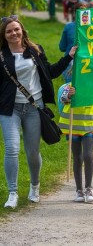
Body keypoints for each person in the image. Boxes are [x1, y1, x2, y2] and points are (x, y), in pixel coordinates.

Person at [0, 15, 76, 209]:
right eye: (9, 31)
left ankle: (35, 186)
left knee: (33, 152)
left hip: (34, 107)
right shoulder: (1, 55)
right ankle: (13, 193)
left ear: (22, 30)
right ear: (4, 35)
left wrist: (68, 56)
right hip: (10, 110)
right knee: (12, 149)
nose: (13, 33)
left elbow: (50, 72)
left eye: (16, 29)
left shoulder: (35, 50)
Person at [58, 82, 93, 203]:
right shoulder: (71, 85)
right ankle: (79, 190)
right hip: (73, 125)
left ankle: (89, 188)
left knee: (88, 155)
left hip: (89, 125)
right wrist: (69, 95)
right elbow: (62, 99)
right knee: (77, 157)